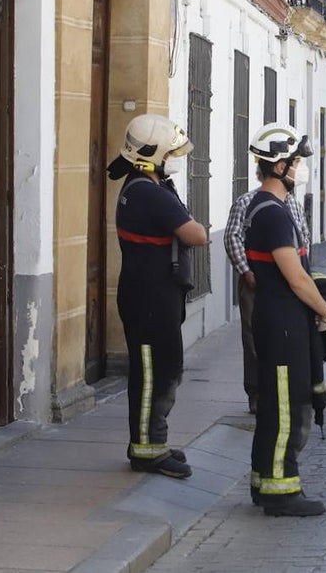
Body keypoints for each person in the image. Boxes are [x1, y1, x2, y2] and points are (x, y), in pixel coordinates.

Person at [107, 114, 209, 479]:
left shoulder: (144, 185)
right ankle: (149, 451)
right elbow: (197, 234)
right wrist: (192, 223)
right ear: (152, 155)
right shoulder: (149, 192)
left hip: (152, 296)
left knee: (159, 370)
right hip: (150, 300)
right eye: (172, 152)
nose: (175, 159)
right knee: (156, 374)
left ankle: (150, 442)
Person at [244, 122, 326, 517]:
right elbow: (296, 277)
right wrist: (325, 309)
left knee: (273, 406)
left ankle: (264, 481)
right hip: (282, 322)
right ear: (279, 165)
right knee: (286, 406)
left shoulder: (264, 207)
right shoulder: (273, 213)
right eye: (296, 161)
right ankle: (281, 491)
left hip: (275, 317)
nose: (300, 168)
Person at [225, 179, 309, 415]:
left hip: (289, 283)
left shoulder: (293, 204)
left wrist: (300, 271)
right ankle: (257, 392)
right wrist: (247, 271)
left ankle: (283, 390)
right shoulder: (246, 201)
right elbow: (232, 237)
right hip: (257, 281)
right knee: (253, 339)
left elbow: (303, 236)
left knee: (286, 336)